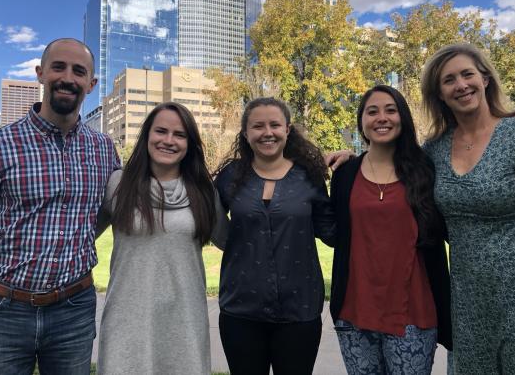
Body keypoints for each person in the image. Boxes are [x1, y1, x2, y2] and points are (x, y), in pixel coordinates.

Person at [0, 38, 120, 375]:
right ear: (40, 74)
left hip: (75, 311)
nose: (68, 77)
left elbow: (105, 212)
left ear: (91, 84)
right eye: (58, 67)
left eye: (79, 71)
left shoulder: (105, 149)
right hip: (4, 309)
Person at [420, 42, 515, 374]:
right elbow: (396, 172)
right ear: (440, 94)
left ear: (485, 79)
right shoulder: (434, 150)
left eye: (468, 74)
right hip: (468, 310)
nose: (461, 85)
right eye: (449, 80)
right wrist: (352, 162)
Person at [330, 85, 452, 374]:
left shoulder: (427, 170)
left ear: (403, 118)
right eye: (372, 111)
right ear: (361, 121)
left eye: (390, 110)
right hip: (354, 311)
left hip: (413, 312)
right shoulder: (345, 174)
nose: (381, 118)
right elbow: (333, 232)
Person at [96, 102, 220, 375]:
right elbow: (76, 235)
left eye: (179, 134)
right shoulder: (118, 184)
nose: (168, 140)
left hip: (185, 320)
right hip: (127, 320)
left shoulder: (203, 191)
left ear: (189, 143)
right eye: (161, 131)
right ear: (147, 136)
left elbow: (236, 242)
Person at [214, 97, 334, 375]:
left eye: (275, 125)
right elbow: (210, 224)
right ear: (246, 133)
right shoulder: (230, 176)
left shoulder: (309, 176)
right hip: (240, 309)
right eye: (258, 126)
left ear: (288, 129)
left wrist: (352, 172)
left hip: (299, 310)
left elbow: (332, 232)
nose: (267, 132)